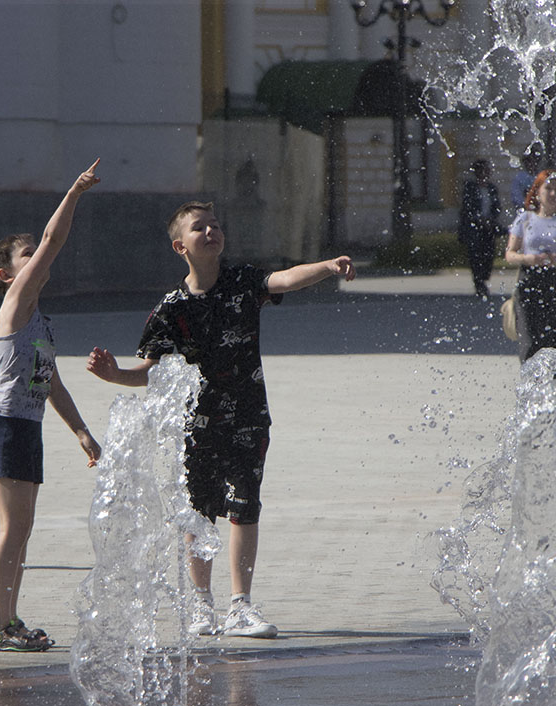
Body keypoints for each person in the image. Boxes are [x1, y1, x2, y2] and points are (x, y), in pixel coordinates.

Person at [86, 201, 355, 639]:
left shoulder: (243, 281)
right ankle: (200, 605)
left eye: (215, 225)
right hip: (198, 425)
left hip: (249, 417)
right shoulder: (171, 309)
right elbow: (149, 372)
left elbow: (284, 279)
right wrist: (115, 374)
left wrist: (326, 266)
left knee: (245, 508)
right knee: (199, 513)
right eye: (199, 228)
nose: (211, 231)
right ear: (180, 246)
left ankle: (240, 606)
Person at [0, 159, 103, 653]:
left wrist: (81, 432)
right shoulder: (14, 306)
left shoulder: (39, 321)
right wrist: (73, 191)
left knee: (23, 529)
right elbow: (53, 241)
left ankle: (7, 620)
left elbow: (51, 384)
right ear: (9, 275)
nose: (40, 259)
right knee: (14, 529)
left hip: (24, 427)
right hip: (5, 426)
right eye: (27, 256)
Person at [505, 170, 556, 363]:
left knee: (555, 339)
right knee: (530, 337)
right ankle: (532, 384)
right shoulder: (525, 219)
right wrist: (529, 258)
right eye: (548, 188)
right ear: (537, 192)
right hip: (529, 281)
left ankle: (554, 383)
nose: (552, 194)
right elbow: (510, 254)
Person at [458, 159, 502, 298]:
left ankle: (484, 277)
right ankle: (479, 283)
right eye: (483, 170)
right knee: (476, 255)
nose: (486, 173)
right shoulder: (470, 187)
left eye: (487, 170)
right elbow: (468, 207)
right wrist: (479, 219)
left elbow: (497, 207)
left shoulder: (491, 188)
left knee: (488, 254)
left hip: (488, 227)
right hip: (474, 228)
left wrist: (490, 219)